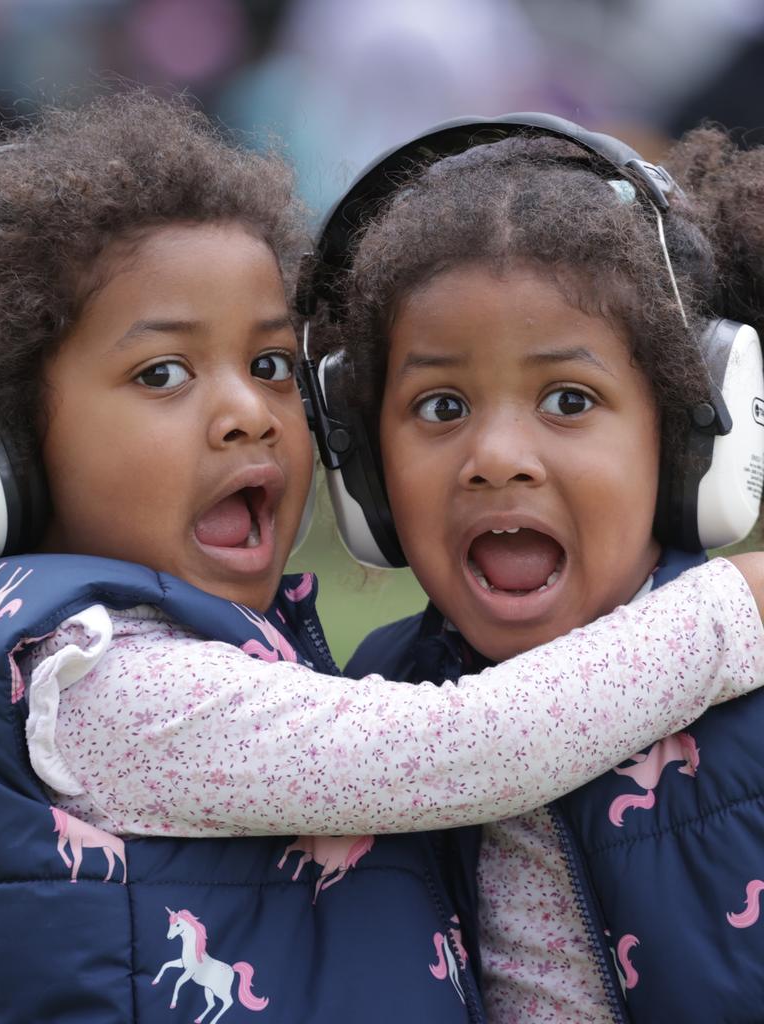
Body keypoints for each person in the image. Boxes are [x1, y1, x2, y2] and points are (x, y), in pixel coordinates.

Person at [0, 95, 763, 1024]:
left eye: (273, 367)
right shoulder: (93, 681)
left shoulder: (340, 679)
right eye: (163, 373)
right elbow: (465, 747)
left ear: (692, 444)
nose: (246, 411)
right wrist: (734, 610)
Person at [310, 116, 764, 1022]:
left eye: (569, 399)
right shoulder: (361, 721)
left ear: (682, 443)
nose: (497, 457)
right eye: (440, 405)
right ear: (365, 474)